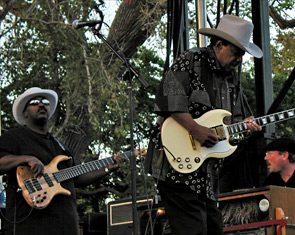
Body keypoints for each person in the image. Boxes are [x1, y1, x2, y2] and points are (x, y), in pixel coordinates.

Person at [145, 15, 263, 235]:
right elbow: (167, 96)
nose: (239, 60)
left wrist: (244, 128)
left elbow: (231, 125)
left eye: (242, 55)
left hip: (206, 173)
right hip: (174, 165)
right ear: (219, 44)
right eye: (236, 53)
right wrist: (195, 129)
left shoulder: (232, 80)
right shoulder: (192, 59)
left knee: (214, 228)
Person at [0, 87, 124, 235]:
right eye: (34, 102)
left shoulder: (61, 147)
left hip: (65, 224)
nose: (41, 105)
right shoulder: (14, 137)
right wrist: (28, 158)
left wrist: (107, 169)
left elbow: (77, 178)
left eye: (45, 102)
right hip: (29, 224)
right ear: (25, 112)